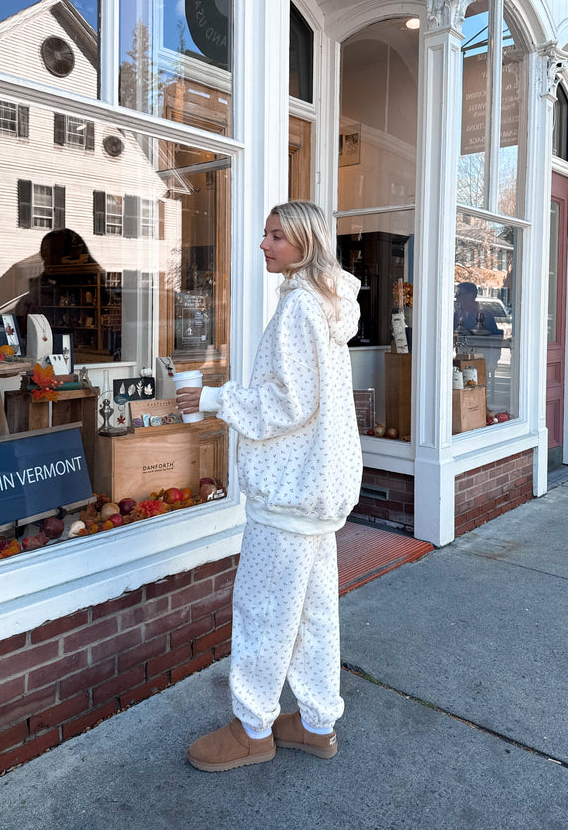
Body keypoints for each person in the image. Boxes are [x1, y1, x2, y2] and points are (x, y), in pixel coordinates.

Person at [176, 200, 363, 772]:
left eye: (276, 236)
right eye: (265, 234)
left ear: (305, 243)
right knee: (311, 611)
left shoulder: (301, 308)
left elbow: (289, 402)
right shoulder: (325, 304)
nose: (264, 244)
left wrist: (213, 398)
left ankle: (252, 727)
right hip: (316, 488)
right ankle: (315, 723)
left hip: (290, 490)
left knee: (263, 609)